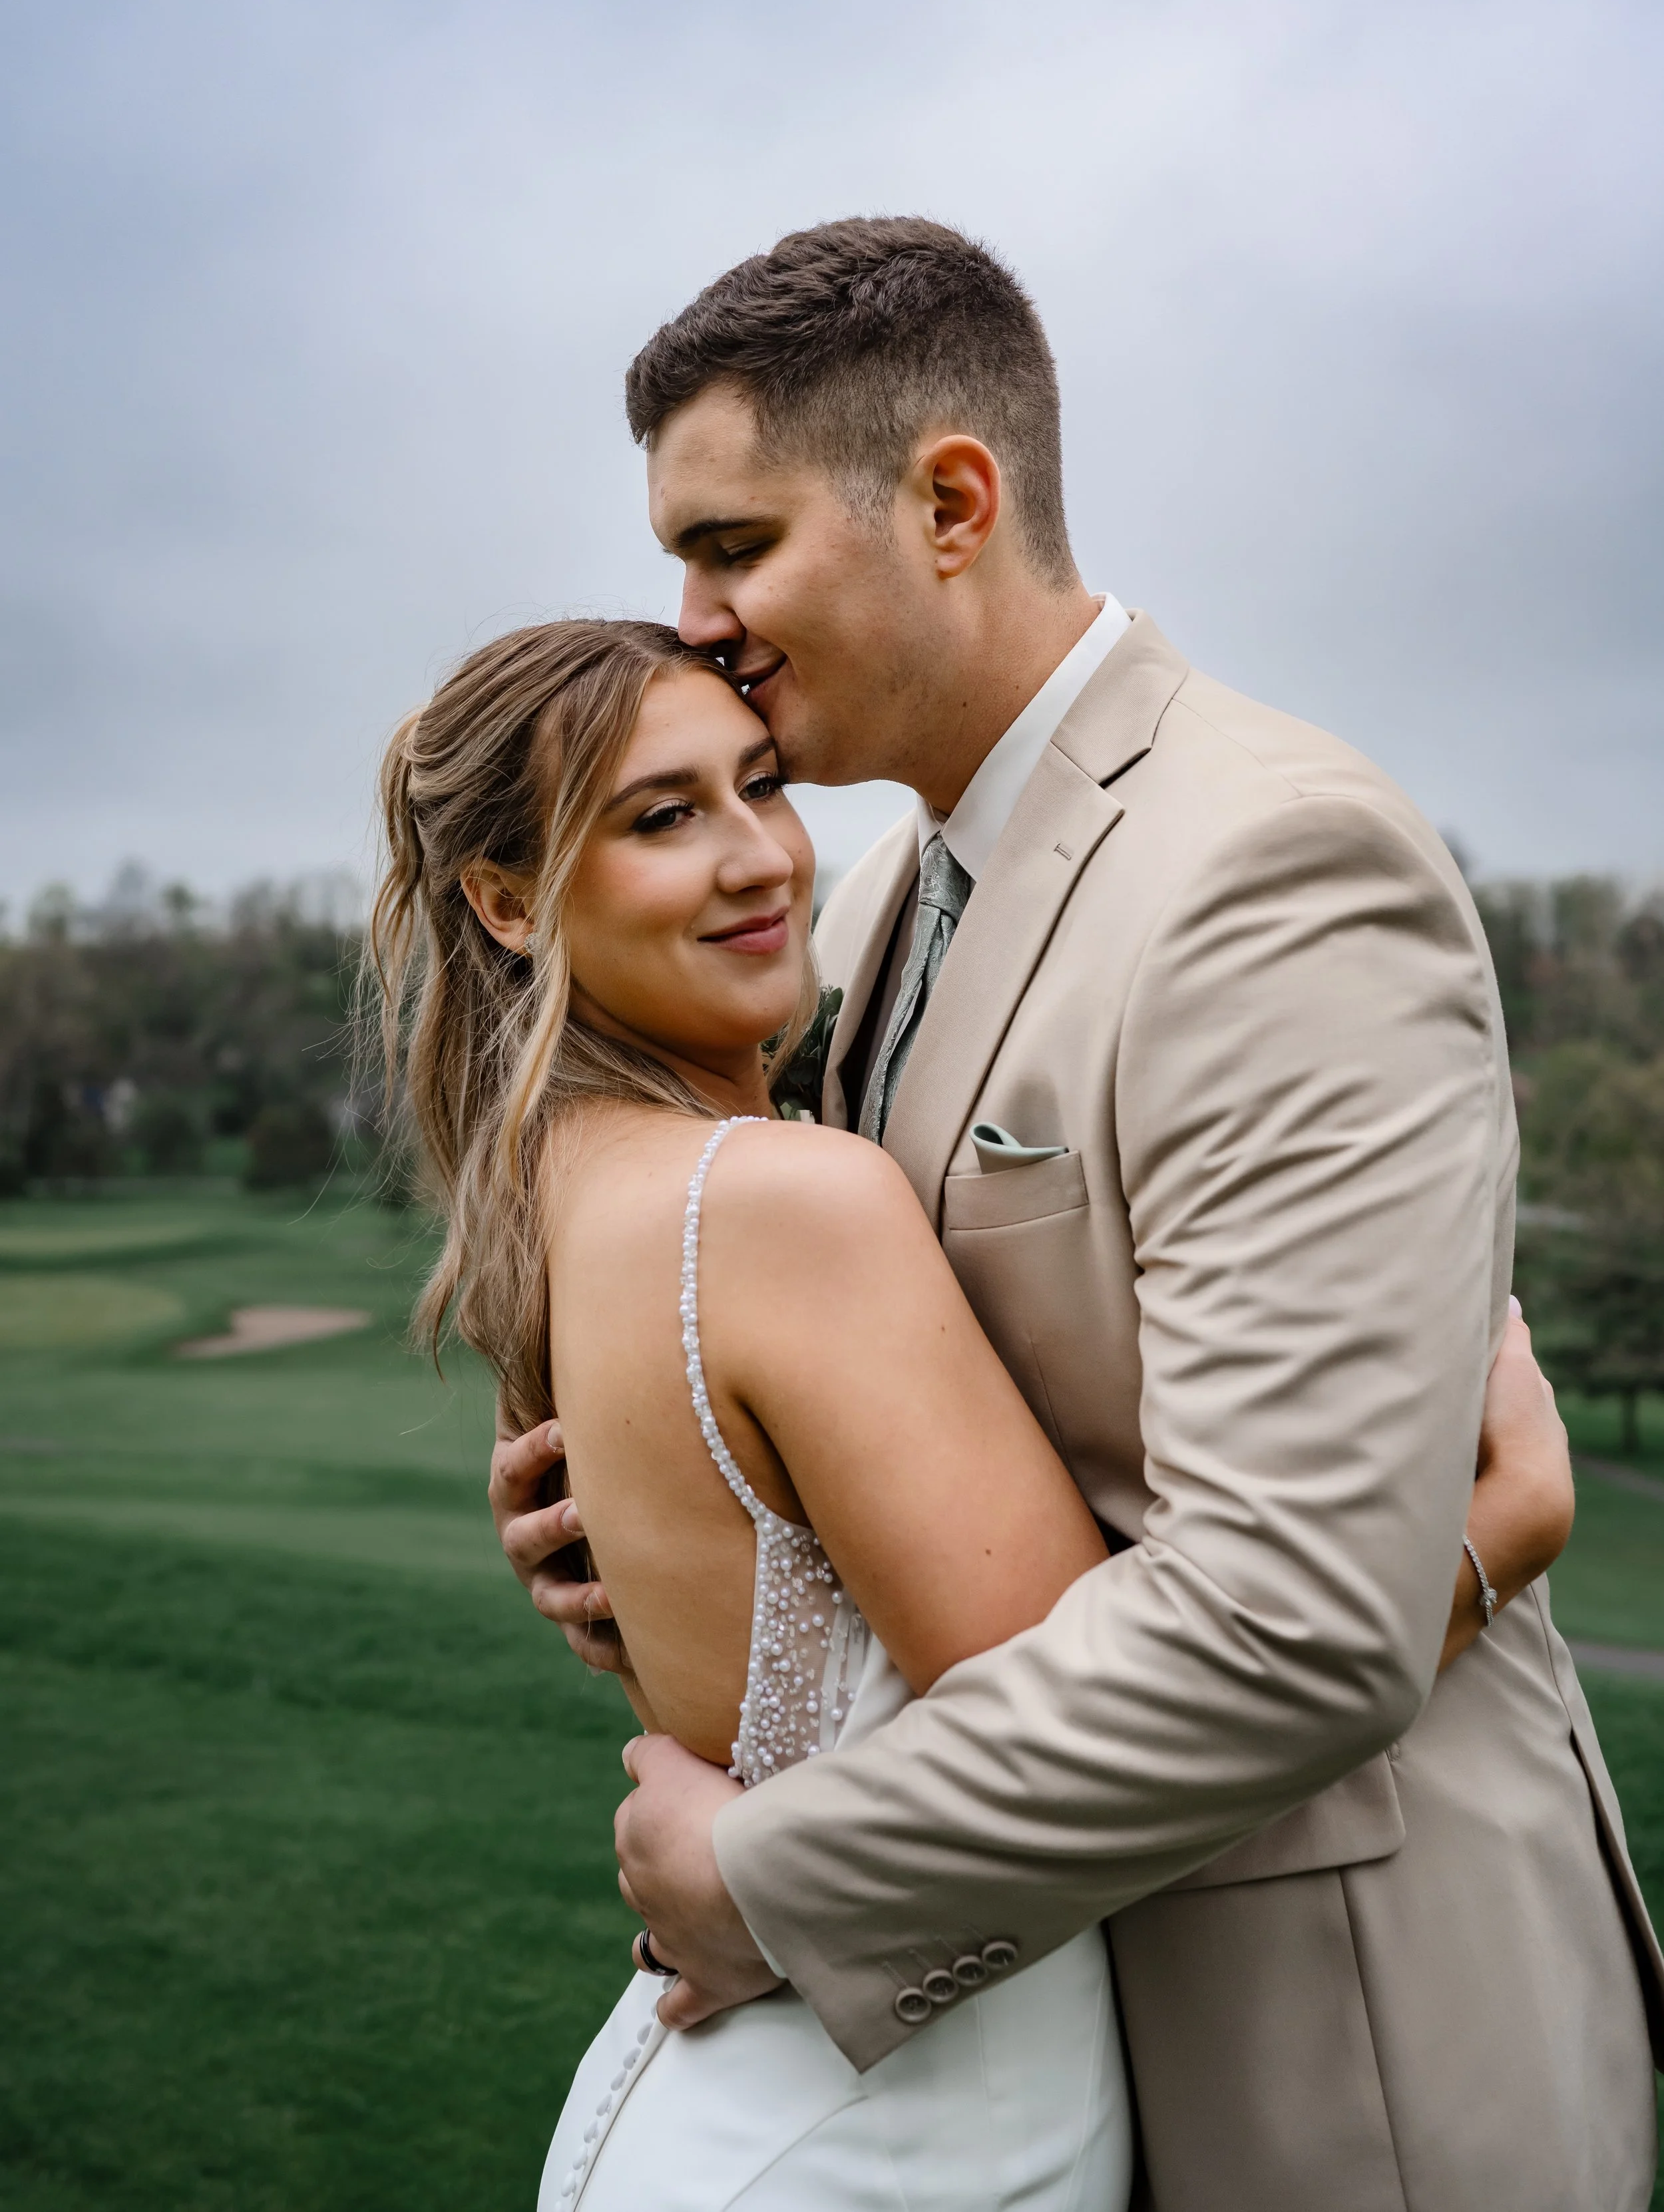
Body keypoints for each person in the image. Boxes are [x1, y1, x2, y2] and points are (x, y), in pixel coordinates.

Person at [490, 220, 1663, 2210]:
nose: (691, 620)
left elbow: (1292, 1614)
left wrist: (764, 1876)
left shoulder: (1271, 864)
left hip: (1341, 2041)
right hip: (1060, 2011)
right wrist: (703, 1526)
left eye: (735, 544)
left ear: (951, 500)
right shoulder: (868, 905)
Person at [378, 620, 1571, 2212]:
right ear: (508, 901)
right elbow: (1107, 1713)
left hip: (768, 2101)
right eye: (661, 817)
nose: (761, 861)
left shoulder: (568, 1195)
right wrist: (1489, 1534)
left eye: (758, 786)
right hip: (886, 2142)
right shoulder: (788, 1200)